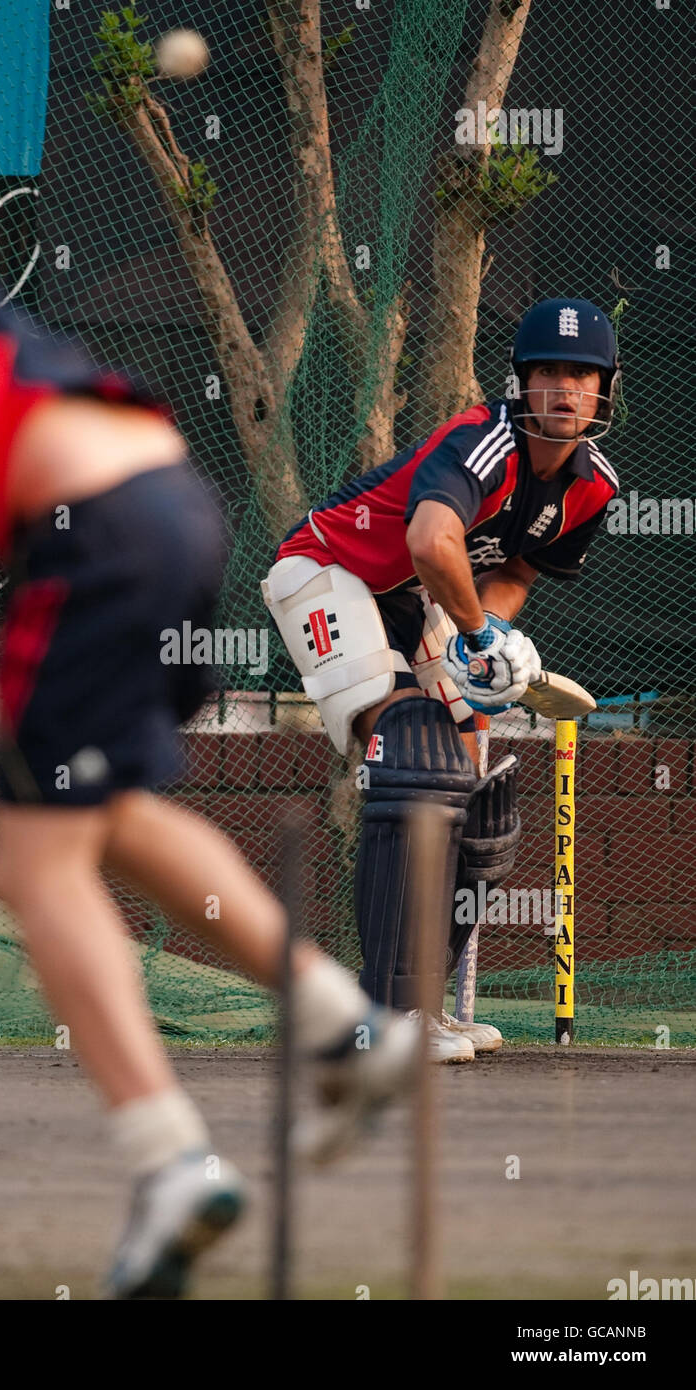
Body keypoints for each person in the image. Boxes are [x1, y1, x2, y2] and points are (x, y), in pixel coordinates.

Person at [0, 100, 419, 1299]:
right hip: (162, 511)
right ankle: (341, 1025)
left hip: (98, 543)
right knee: (101, 819)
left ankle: (172, 1165)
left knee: (30, 867)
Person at [262, 298, 620, 1062]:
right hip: (325, 569)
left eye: (580, 375)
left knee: (472, 788)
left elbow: (519, 564)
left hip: (416, 597)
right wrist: (478, 633)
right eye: (547, 373)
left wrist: (488, 640)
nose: (563, 390)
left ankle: (422, 1003)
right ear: (520, 384)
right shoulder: (483, 440)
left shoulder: (592, 488)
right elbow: (431, 539)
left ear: (604, 390)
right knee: (411, 754)